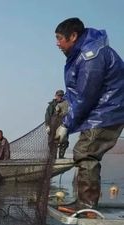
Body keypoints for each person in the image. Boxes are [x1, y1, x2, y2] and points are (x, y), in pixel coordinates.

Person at [54, 17, 124, 209]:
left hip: (108, 111)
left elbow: (86, 96)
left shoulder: (91, 57)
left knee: (85, 152)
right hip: (102, 111)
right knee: (86, 152)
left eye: (60, 38)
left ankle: (86, 205)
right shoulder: (82, 54)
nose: (57, 43)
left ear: (73, 36)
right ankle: (85, 202)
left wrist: (66, 125)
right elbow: (76, 94)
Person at [44, 89, 70, 158]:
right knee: (52, 142)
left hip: (63, 125)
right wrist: (47, 126)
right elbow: (47, 116)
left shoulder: (66, 103)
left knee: (64, 142)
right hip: (53, 127)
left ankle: (61, 156)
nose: (60, 97)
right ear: (55, 96)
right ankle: (53, 157)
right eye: (59, 96)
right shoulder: (51, 105)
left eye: (61, 96)